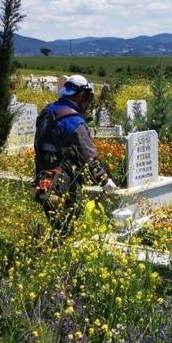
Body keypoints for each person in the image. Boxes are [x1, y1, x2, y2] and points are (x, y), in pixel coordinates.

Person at [34, 75, 117, 234]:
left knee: (55, 223)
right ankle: (57, 252)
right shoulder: (73, 121)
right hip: (63, 183)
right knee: (66, 227)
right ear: (81, 95)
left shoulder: (47, 111)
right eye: (86, 97)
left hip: (42, 178)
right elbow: (89, 157)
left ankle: (44, 247)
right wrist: (105, 181)